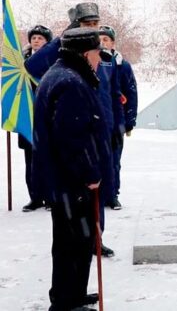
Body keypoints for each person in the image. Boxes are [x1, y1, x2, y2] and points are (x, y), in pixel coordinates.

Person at [32, 28, 112, 311]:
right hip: (72, 182)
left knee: (71, 241)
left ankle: (72, 293)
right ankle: (67, 302)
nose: (99, 61)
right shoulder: (71, 83)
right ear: (83, 54)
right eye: (96, 54)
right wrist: (91, 174)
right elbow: (73, 139)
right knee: (74, 243)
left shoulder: (61, 75)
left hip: (63, 180)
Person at [99, 25, 138, 210]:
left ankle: (112, 194)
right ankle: (98, 194)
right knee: (97, 159)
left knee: (114, 160)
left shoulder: (122, 64)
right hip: (97, 120)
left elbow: (130, 93)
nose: (102, 42)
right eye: (99, 39)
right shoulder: (91, 62)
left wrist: (129, 121)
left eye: (105, 39)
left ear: (112, 43)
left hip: (116, 120)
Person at [20, 25, 53, 212]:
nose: (36, 40)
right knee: (29, 161)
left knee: (48, 159)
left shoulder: (52, 60)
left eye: (40, 38)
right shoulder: (21, 61)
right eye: (34, 38)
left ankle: (50, 197)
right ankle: (35, 197)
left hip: (46, 115)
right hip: (27, 116)